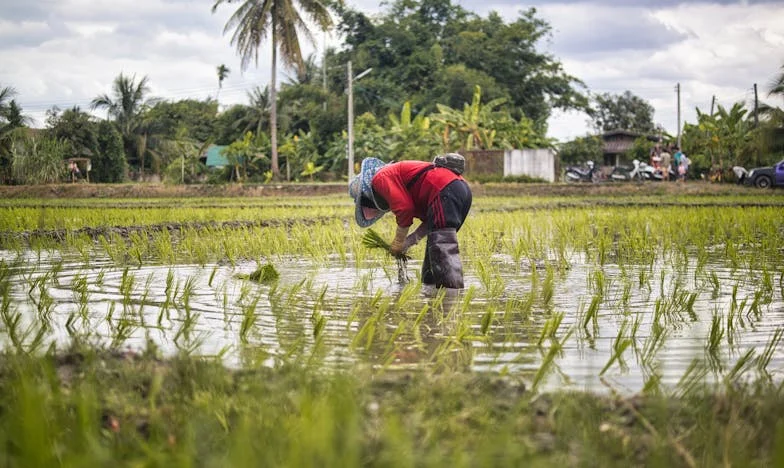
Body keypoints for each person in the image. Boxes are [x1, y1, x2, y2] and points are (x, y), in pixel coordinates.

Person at [348, 154, 472, 289]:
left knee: (443, 248)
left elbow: (405, 209)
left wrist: (398, 240)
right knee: (435, 255)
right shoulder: (399, 180)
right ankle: (431, 294)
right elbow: (431, 224)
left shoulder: (380, 178)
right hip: (460, 189)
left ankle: (451, 300)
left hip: (444, 189)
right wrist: (409, 241)